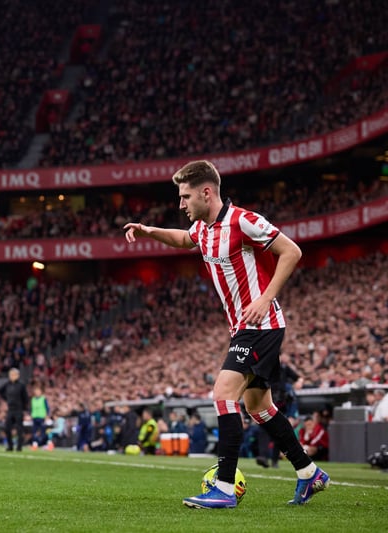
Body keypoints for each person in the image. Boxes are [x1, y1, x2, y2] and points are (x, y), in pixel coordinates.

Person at [124, 160, 329, 508]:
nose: (181, 204)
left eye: (186, 196)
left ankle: (223, 487)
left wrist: (265, 298)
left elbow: (291, 251)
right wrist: (148, 231)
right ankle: (309, 472)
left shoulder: (242, 221)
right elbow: (183, 239)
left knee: (223, 393)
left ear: (206, 192)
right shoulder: (203, 229)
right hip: (243, 328)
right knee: (258, 407)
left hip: (260, 325)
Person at [2, 368, 28, 451]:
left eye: (14, 375)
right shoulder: (7, 385)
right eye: (11, 375)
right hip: (10, 409)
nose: (12, 376)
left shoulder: (21, 385)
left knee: (19, 429)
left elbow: (25, 398)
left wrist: (24, 409)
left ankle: (19, 446)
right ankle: (10, 445)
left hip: (18, 409)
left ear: (18, 376)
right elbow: (4, 395)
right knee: (7, 428)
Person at [29, 385, 50, 449]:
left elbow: (47, 408)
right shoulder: (33, 399)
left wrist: (46, 416)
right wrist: (30, 415)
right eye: (36, 391)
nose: (37, 392)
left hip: (42, 417)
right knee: (34, 431)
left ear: (41, 392)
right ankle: (35, 444)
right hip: (35, 417)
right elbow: (31, 408)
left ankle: (46, 444)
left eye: (38, 391)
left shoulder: (43, 399)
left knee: (43, 431)